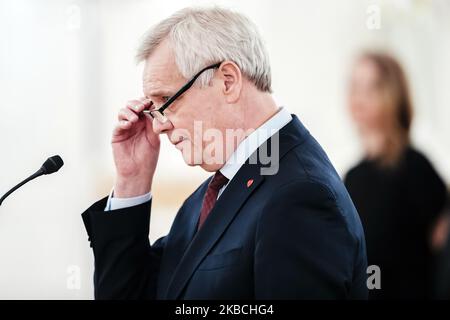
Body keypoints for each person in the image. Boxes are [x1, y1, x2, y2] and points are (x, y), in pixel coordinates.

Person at [82, 7, 367, 300]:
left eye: (166, 100)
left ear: (228, 80)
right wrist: (132, 180)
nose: (159, 125)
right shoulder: (209, 195)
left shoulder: (300, 195)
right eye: (153, 109)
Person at [344, 52, 447, 299]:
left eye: (372, 87)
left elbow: (442, 255)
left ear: (393, 94)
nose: (360, 97)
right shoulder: (352, 178)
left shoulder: (416, 168)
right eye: (355, 86)